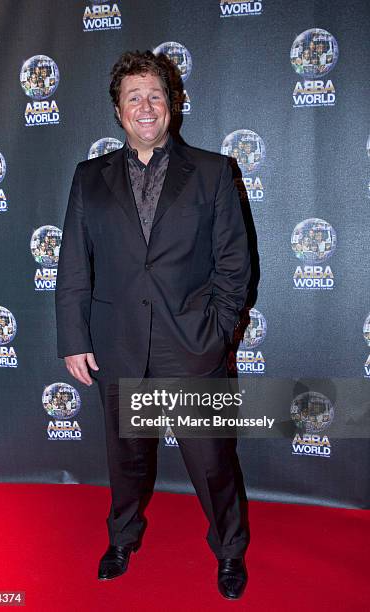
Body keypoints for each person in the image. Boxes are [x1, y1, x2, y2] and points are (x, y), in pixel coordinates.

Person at [56, 50, 251, 600]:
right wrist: (74, 338)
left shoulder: (212, 171)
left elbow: (234, 264)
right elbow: (74, 262)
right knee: (126, 461)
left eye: (156, 95)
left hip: (191, 346)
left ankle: (230, 550)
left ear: (173, 104)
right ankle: (123, 538)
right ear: (118, 112)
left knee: (212, 462)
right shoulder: (88, 178)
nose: (146, 106)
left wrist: (217, 331)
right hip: (117, 346)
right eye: (133, 97)